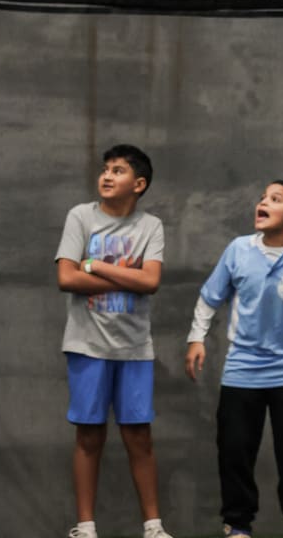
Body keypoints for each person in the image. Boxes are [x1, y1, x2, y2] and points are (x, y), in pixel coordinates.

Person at [184, 180, 283, 538]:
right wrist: (196, 338)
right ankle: (237, 525)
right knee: (235, 452)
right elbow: (210, 297)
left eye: (275, 199)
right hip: (241, 372)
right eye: (262, 198)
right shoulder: (238, 250)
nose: (263, 202)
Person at [54, 144, 172, 538]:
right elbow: (67, 278)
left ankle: (153, 528)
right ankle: (85, 527)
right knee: (89, 434)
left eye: (118, 170)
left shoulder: (150, 226)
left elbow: (151, 282)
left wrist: (96, 264)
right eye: (105, 169)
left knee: (139, 435)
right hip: (87, 345)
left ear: (138, 184)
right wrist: (127, 273)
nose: (106, 176)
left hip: (135, 349)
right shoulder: (80, 217)